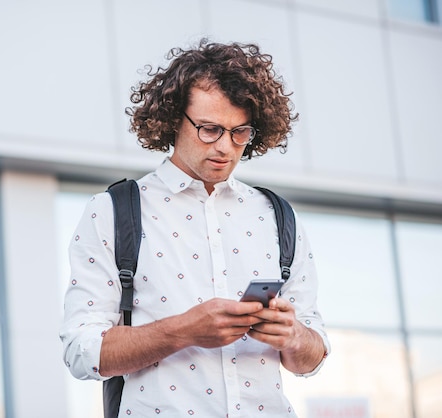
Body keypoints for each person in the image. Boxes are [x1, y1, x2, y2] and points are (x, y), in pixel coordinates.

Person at [60, 39, 330, 417]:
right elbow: (80, 351)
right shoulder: (113, 212)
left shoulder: (278, 215)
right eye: (209, 129)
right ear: (173, 119)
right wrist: (183, 330)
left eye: (240, 133)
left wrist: (294, 336)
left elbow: (311, 359)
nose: (226, 147)